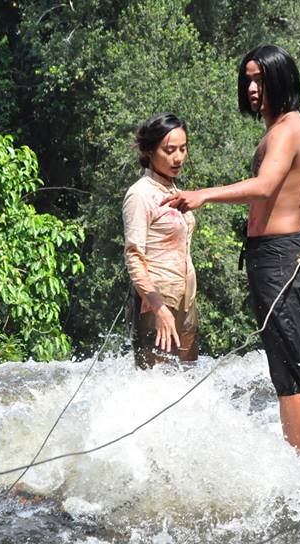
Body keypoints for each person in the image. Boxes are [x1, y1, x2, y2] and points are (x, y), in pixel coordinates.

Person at [162, 45, 300, 454]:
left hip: (279, 257)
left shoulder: (285, 131)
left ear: (282, 80)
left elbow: (266, 186)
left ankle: (299, 468)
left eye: (260, 79)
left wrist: (203, 195)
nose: (252, 88)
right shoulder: (299, 127)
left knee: (288, 371)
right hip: (298, 251)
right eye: (248, 79)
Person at [123, 113, 198, 369]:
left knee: (187, 381)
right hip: (156, 303)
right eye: (169, 150)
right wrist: (159, 309)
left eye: (183, 149)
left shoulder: (175, 191)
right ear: (150, 151)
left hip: (185, 300)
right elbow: (134, 256)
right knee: (155, 386)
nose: (178, 157)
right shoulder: (140, 194)